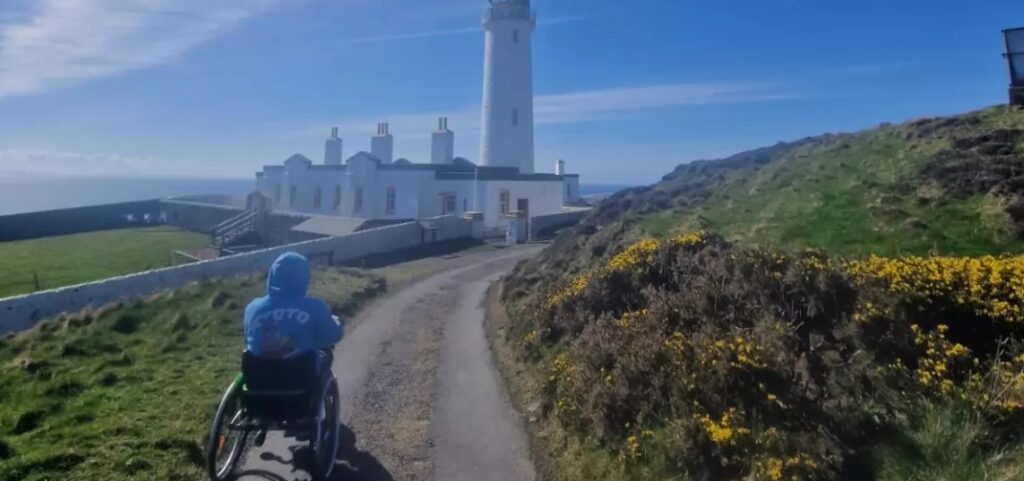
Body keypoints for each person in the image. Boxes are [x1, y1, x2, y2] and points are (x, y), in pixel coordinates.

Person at [243, 252, 343, 361]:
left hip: (258, 373)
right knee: (325, 352)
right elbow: (333, 336)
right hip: (300, 373)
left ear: (272, 274)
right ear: (303, 277)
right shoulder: (315, 306)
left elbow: (249, 338)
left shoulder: (252, 307)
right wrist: (336, 321)